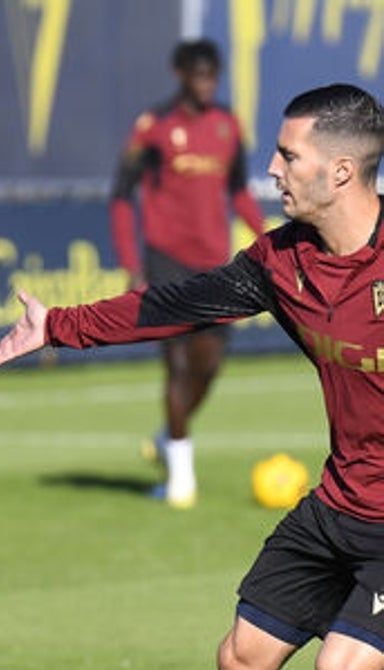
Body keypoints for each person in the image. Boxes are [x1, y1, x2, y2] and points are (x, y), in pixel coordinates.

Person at [0, 83, 384, 670]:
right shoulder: (282, 260)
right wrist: (59, 327)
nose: (270, 168)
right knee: (241, 663)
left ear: (340, 171)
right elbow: (175, 302)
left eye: (288, 154)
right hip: (339, 507)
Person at [110, 39, 265, 509]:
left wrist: (266, 236)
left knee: (209, 366)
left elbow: (237, 190)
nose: (206, 84)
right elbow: (121, 194)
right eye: (198, 75)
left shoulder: (227, 126)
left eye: (212, 76)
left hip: (215, 262)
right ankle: (180, 481)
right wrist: (132, 265)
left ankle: (167, 438)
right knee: (177, 364)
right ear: (180, 75)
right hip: (166, 260)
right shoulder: (153, 128)